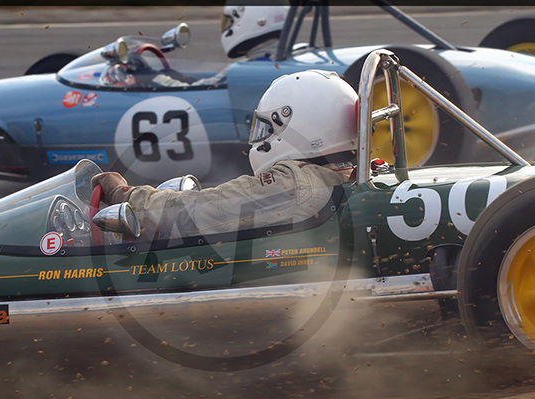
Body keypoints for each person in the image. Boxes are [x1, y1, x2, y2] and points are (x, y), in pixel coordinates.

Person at [93, 69, 359, 241]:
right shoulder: (348, 173)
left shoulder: (293, 186)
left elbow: (193, 211)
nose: (260, 137)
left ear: (298, 124)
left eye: (267, 127)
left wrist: (124, 195)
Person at [152, 4, 289, 87]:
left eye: (231, 21)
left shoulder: (241, 72)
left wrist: (152, 78)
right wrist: (174, 76)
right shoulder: (286, 58)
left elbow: (196, 92)